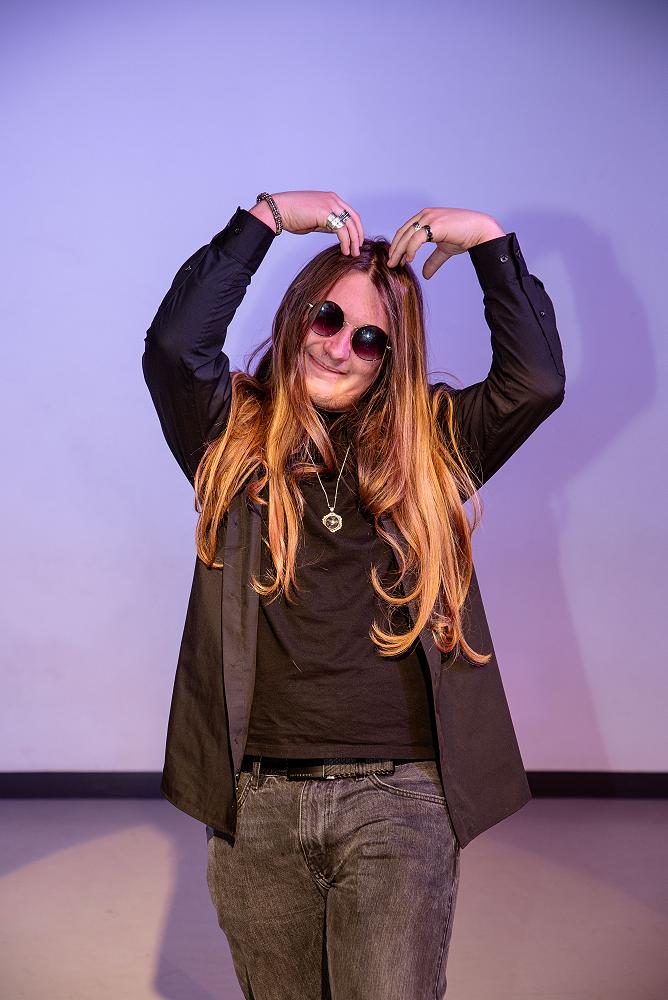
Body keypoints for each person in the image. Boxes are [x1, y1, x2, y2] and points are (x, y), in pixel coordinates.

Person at [142, 190, 566, 998]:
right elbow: (173, 346)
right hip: (259, 800)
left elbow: (536, 380)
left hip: (400, 798)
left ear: (391, 357)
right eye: (328, 319)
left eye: (370, 338)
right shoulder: (229, 434)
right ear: (298, 315)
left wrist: (489, 242)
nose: (340, 348)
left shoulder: (432, 445)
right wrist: (264, 220)